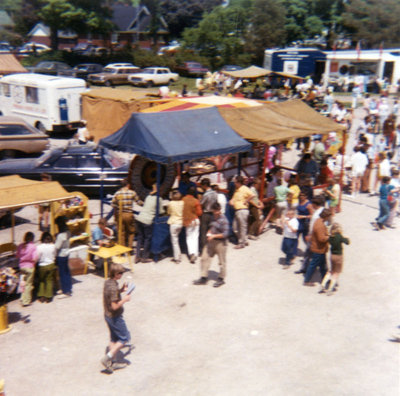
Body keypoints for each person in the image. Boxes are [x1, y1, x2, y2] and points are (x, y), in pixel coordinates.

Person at [101, 263, 131, 373]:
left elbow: (111, 296)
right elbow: (114, 306)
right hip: (115, 317)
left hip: (107, 315)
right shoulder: (113, 287)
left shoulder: (108, 283)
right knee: (124, 338)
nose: (122, 275)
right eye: (120, 273)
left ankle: (113, 363)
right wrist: (125, 299)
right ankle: (107, 358)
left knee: (114, 339)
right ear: (115, 273)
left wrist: (121, 290)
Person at [193, 202, 229, 288]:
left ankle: (221, 278)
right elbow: (212, 227)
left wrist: (214, 236)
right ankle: (204, 277)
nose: (218, 212)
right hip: (211, 242)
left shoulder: (224, 220)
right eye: (216, 210)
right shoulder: (212, 218)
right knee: (204, 258)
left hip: (221, 243)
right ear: (213, 210)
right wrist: (209, 232)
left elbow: (226, 234)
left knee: (221, 261)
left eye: (219, 210)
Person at [135, 184, 165, 263]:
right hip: (148, 220)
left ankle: (137, 256)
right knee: (147, 239)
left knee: (140, 238)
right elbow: (161, 211)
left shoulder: (148, 197)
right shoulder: (159, 199)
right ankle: (145, 257)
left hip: (140, 218)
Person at [303, 208, 332, 286]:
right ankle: (307, 280)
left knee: (323, 265)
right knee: (313, 265)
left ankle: (324, 278)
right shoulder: (320, 225)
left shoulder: (318, 220)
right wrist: (329, 237)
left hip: (319, 249)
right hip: (318, 249)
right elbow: (321, 239)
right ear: (326, 216)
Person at [319, 223, 350, 295]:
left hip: (332, 255)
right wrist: (346, 238)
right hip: (339, 256)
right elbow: (347, 242)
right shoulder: (339, 236)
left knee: (331, 271)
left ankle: (323, 284)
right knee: (336, 273)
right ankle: (330, 289)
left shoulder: (331, 237)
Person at [111, 179, 140, 249]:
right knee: (131, 232)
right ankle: (129, 248)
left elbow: (113, 205)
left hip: (120, 215)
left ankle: (122, 249)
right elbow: (139, 202)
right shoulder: (132, 193)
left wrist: (115, 217)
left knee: (121, 233)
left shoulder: (117, 193)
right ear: (128, 185)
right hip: (129, 214)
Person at [229, 175, 255, 249]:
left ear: (238, 182)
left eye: (235, 182)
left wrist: (246, 201)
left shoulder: (244, 188)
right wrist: (231, 202)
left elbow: (252, 195)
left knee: (242, 227)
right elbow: (233, 199)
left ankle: (241, 243)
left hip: (242, 210)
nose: (234, 183)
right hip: (237, 210)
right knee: (235, 228)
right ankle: (244, 239)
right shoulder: (236, 190)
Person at [16, 231, 38, 306]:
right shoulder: (33, 246)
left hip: (22, 267)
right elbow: (35, 258)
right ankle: (26, 301)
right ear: (32, 238)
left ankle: (22, 298)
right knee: (28, 285)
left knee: (23, 283)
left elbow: (17, 256)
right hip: (30, 267)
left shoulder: (20, 246)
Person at [182, 186, 202, 264]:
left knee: (189, 238)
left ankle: (191, 253)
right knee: (195, 237)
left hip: (187, 221)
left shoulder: (183, 200)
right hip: (195, 220)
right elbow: (199, 213)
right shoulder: (196, 201)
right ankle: (196, 253)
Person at [36, 232, 56, 303]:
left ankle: (41, 296)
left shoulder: (39, 247)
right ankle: (48, 297)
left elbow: (37, 257)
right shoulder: (53, 246)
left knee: (41, 281)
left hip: (42, 265)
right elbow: (55, 255)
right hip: (51, 264)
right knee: (49, 280)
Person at [55, 216, 72, 297]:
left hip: (61, 255)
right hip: (67, 253)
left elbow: (57, 247)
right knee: (66, 272)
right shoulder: (68, 232)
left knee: (62, 273)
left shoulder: (60, 235)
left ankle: (66, 291)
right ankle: (68, 288)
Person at [199, 178, 218, 253]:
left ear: (205, 185)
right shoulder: (215, 193)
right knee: (211, 231)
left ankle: (204, 249)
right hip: (213, 213)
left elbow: (201, 204)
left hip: (206, 213)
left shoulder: (206, 194)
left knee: (203, 232)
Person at [167, 191, 184, 263]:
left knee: (174, 241)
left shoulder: (170, 203)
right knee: (176, 240)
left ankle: (177, 258)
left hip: (173, 223)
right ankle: (179, 255)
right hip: (180, 223)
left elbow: (168, 212)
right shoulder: (182, 203)